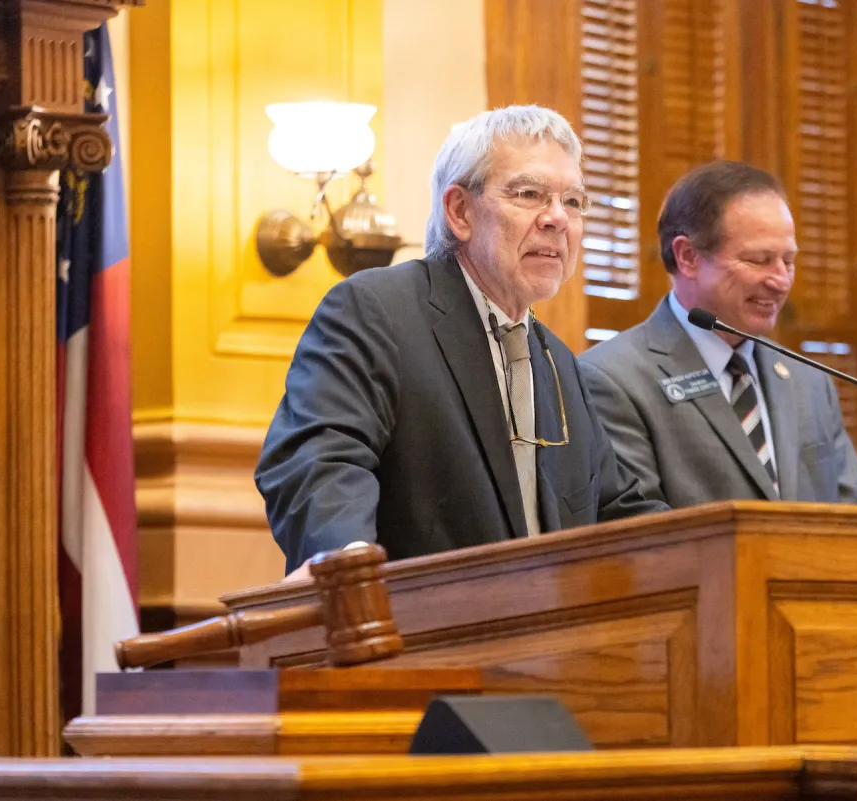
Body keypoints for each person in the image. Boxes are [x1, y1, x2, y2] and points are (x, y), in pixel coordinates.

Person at [256, 105, 667, 576]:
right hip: (416, 637)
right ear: (460, 211)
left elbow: (617, 512)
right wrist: (348, 569)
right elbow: (318, 462)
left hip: (548, 642)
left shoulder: (560, 365)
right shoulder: (377, 312)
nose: (557, 218)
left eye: (573, 201)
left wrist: (710, 559)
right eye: (530, 194)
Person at [579, 160, 857, 507]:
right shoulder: (612, 380)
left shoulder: (808, 382)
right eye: (758, 260)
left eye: (788, 261)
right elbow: (642, 535)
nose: (780, 281)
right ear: (688, 256)